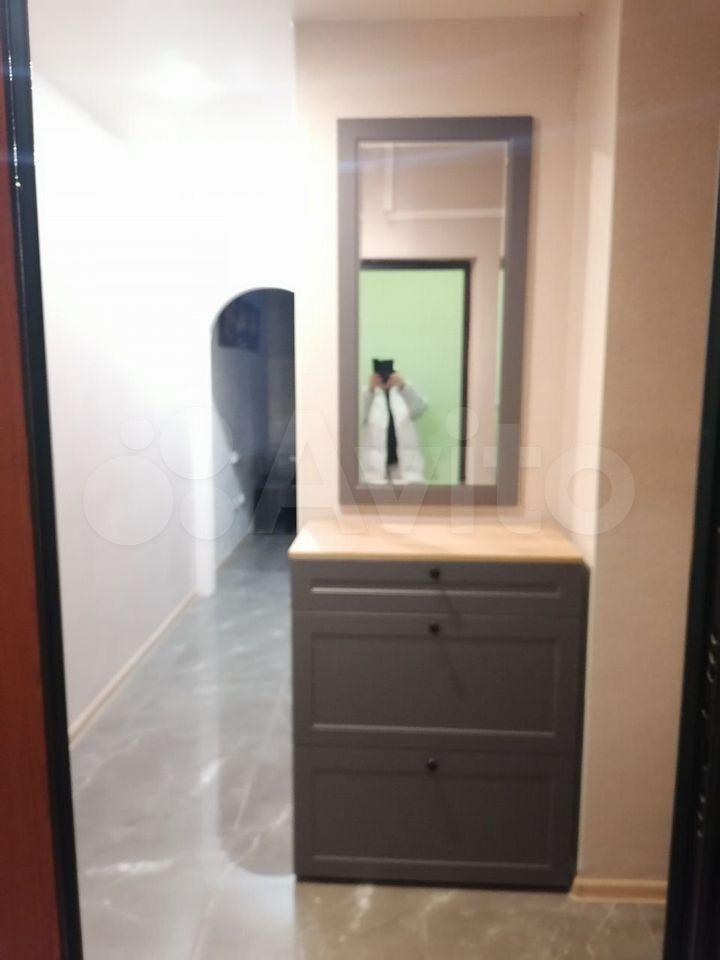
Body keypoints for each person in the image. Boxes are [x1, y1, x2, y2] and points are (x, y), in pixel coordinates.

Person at [359, 370, 428, 484]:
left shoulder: (404, 392)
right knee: (374, 493)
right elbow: (358, 415)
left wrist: (403, 386)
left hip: (405, 466)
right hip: (373, 467)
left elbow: (419, 409)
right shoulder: (366, 394)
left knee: (408, 494)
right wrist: (371, 389)